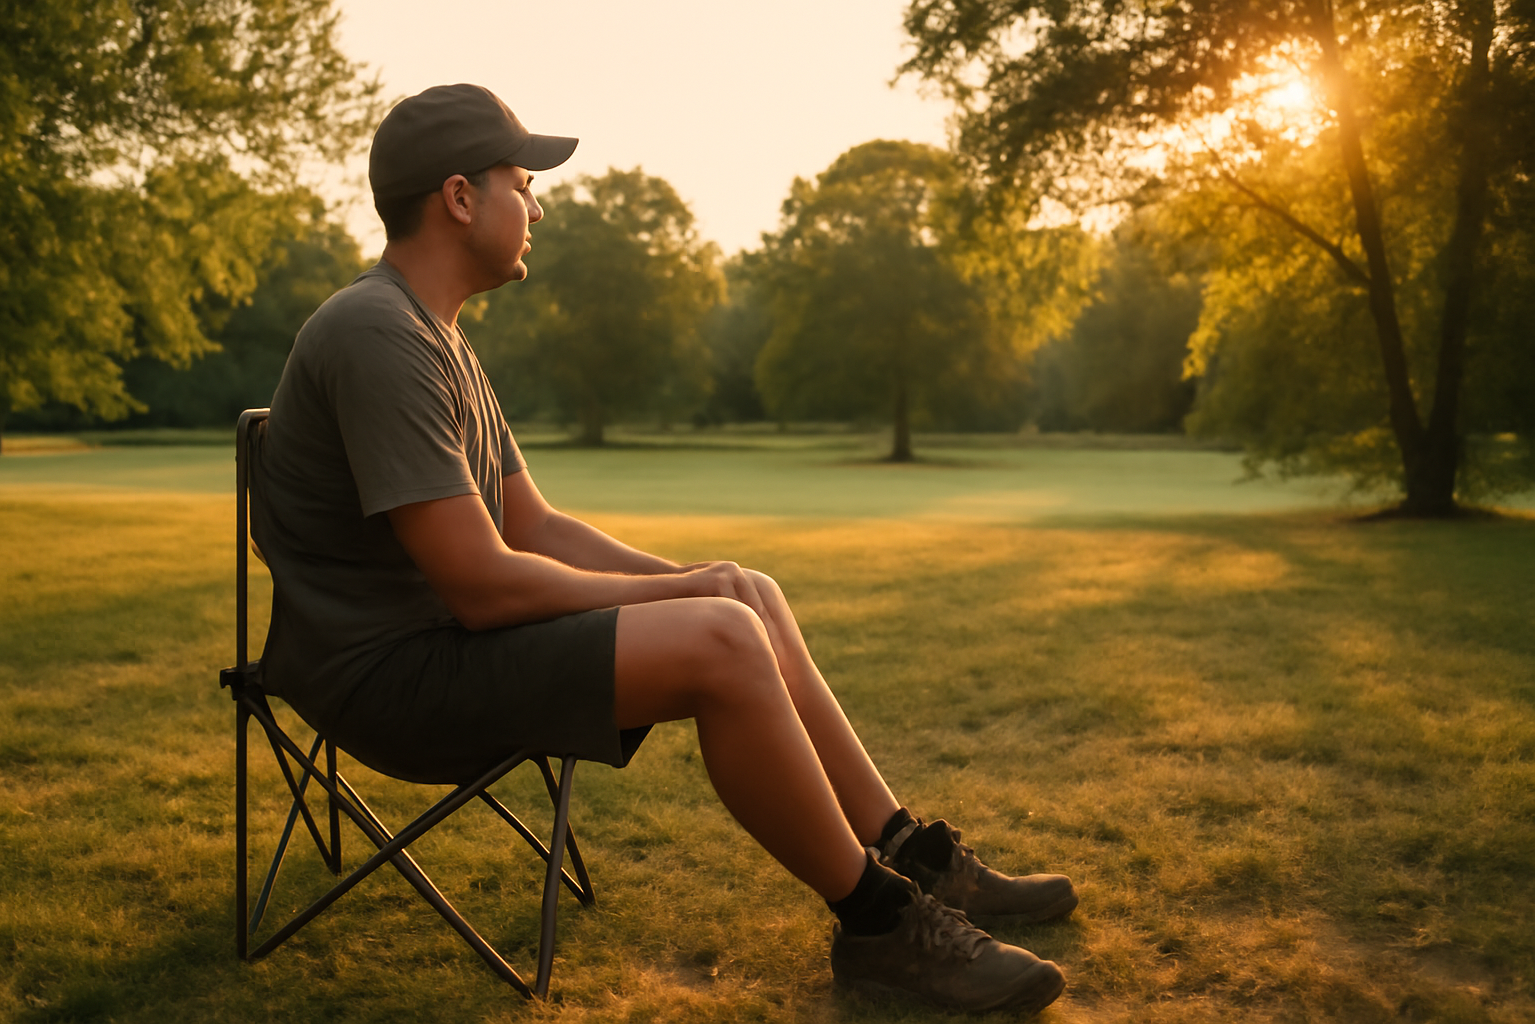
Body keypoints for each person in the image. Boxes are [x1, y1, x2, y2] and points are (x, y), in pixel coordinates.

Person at [252, 83, 1077, 1014]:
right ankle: (881, 924)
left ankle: (910, 855)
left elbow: (536, 528)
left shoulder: (437, 337)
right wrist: (683, 604)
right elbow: (482, 583)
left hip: (446, 645)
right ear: (458, 198)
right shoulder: (378, 334)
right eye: (524, 183)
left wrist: (693, 578)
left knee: (745, 595)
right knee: (720, 639)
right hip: (394, 678)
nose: (538, 207)